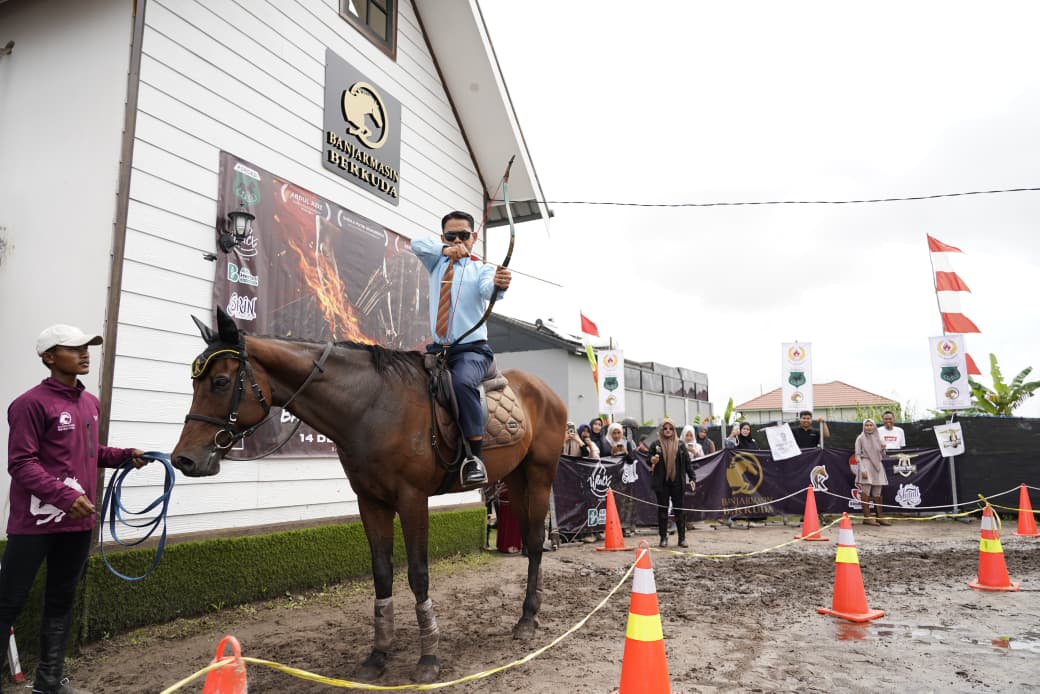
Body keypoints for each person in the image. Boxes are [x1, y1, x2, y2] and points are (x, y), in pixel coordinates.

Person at [4, 324, 148, 694]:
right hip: (33, 525)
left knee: (61, 600)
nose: (84, 353)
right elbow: (21, 464)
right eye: (73, 348)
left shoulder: (89, 403)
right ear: (49, 357)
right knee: (9, 601)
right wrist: (66, 497)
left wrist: (121, 456)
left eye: (87, 347)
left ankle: (49, 682)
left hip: (76, 526)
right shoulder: (29, 404)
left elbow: (87, 453)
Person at [411, 211, 512, 485]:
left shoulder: (483, 269)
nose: (458, 240)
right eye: (451, 235)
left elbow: (488, 289)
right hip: (438, 349)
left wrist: (498, 284)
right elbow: (416, 243)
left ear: (474, 237)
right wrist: (447, 249)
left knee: (463, 383)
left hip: (472, 350)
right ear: (443, 237)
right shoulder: (436, 261)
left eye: (464, 236)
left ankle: (474, 457)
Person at [647, 418, 696, 548]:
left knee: (679, 510)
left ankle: (682, 538)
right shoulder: (655, 444)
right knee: (662, 511)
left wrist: (692, 478)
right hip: (661, 482)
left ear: (674, 430)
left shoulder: (681, 445)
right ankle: (663, 537)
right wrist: (653, 460)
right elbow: (648, 460)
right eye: (665, 428)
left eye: (670, 428)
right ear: (661, 430)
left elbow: (687, 463)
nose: (668, 431)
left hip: (677, 482)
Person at [855, 418, 890, 526]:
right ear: (864, 427)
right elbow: (857, 455)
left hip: (878, 466)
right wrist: (863, 469)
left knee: (877, 492)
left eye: (871, 425)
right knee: (866, 491)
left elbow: (883, 455)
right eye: (867, 425)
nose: (869, 427)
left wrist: (884, 449)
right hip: (866, 464)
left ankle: (879, 517)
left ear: (874, 426)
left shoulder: (878, 437)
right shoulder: (860, 438)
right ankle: (867, 517)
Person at [606, 422, 637, 537]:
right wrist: (612, 453)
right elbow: (603, 459)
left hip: (625, 478)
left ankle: (625, 526)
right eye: (614, 433)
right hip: (611, 478)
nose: (616, 435)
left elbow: (631, 460)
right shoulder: (606, 443)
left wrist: (625, 452)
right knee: (612, 502)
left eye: (618, 432)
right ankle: (612, 525)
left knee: (625, 502)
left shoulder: (627, 443)